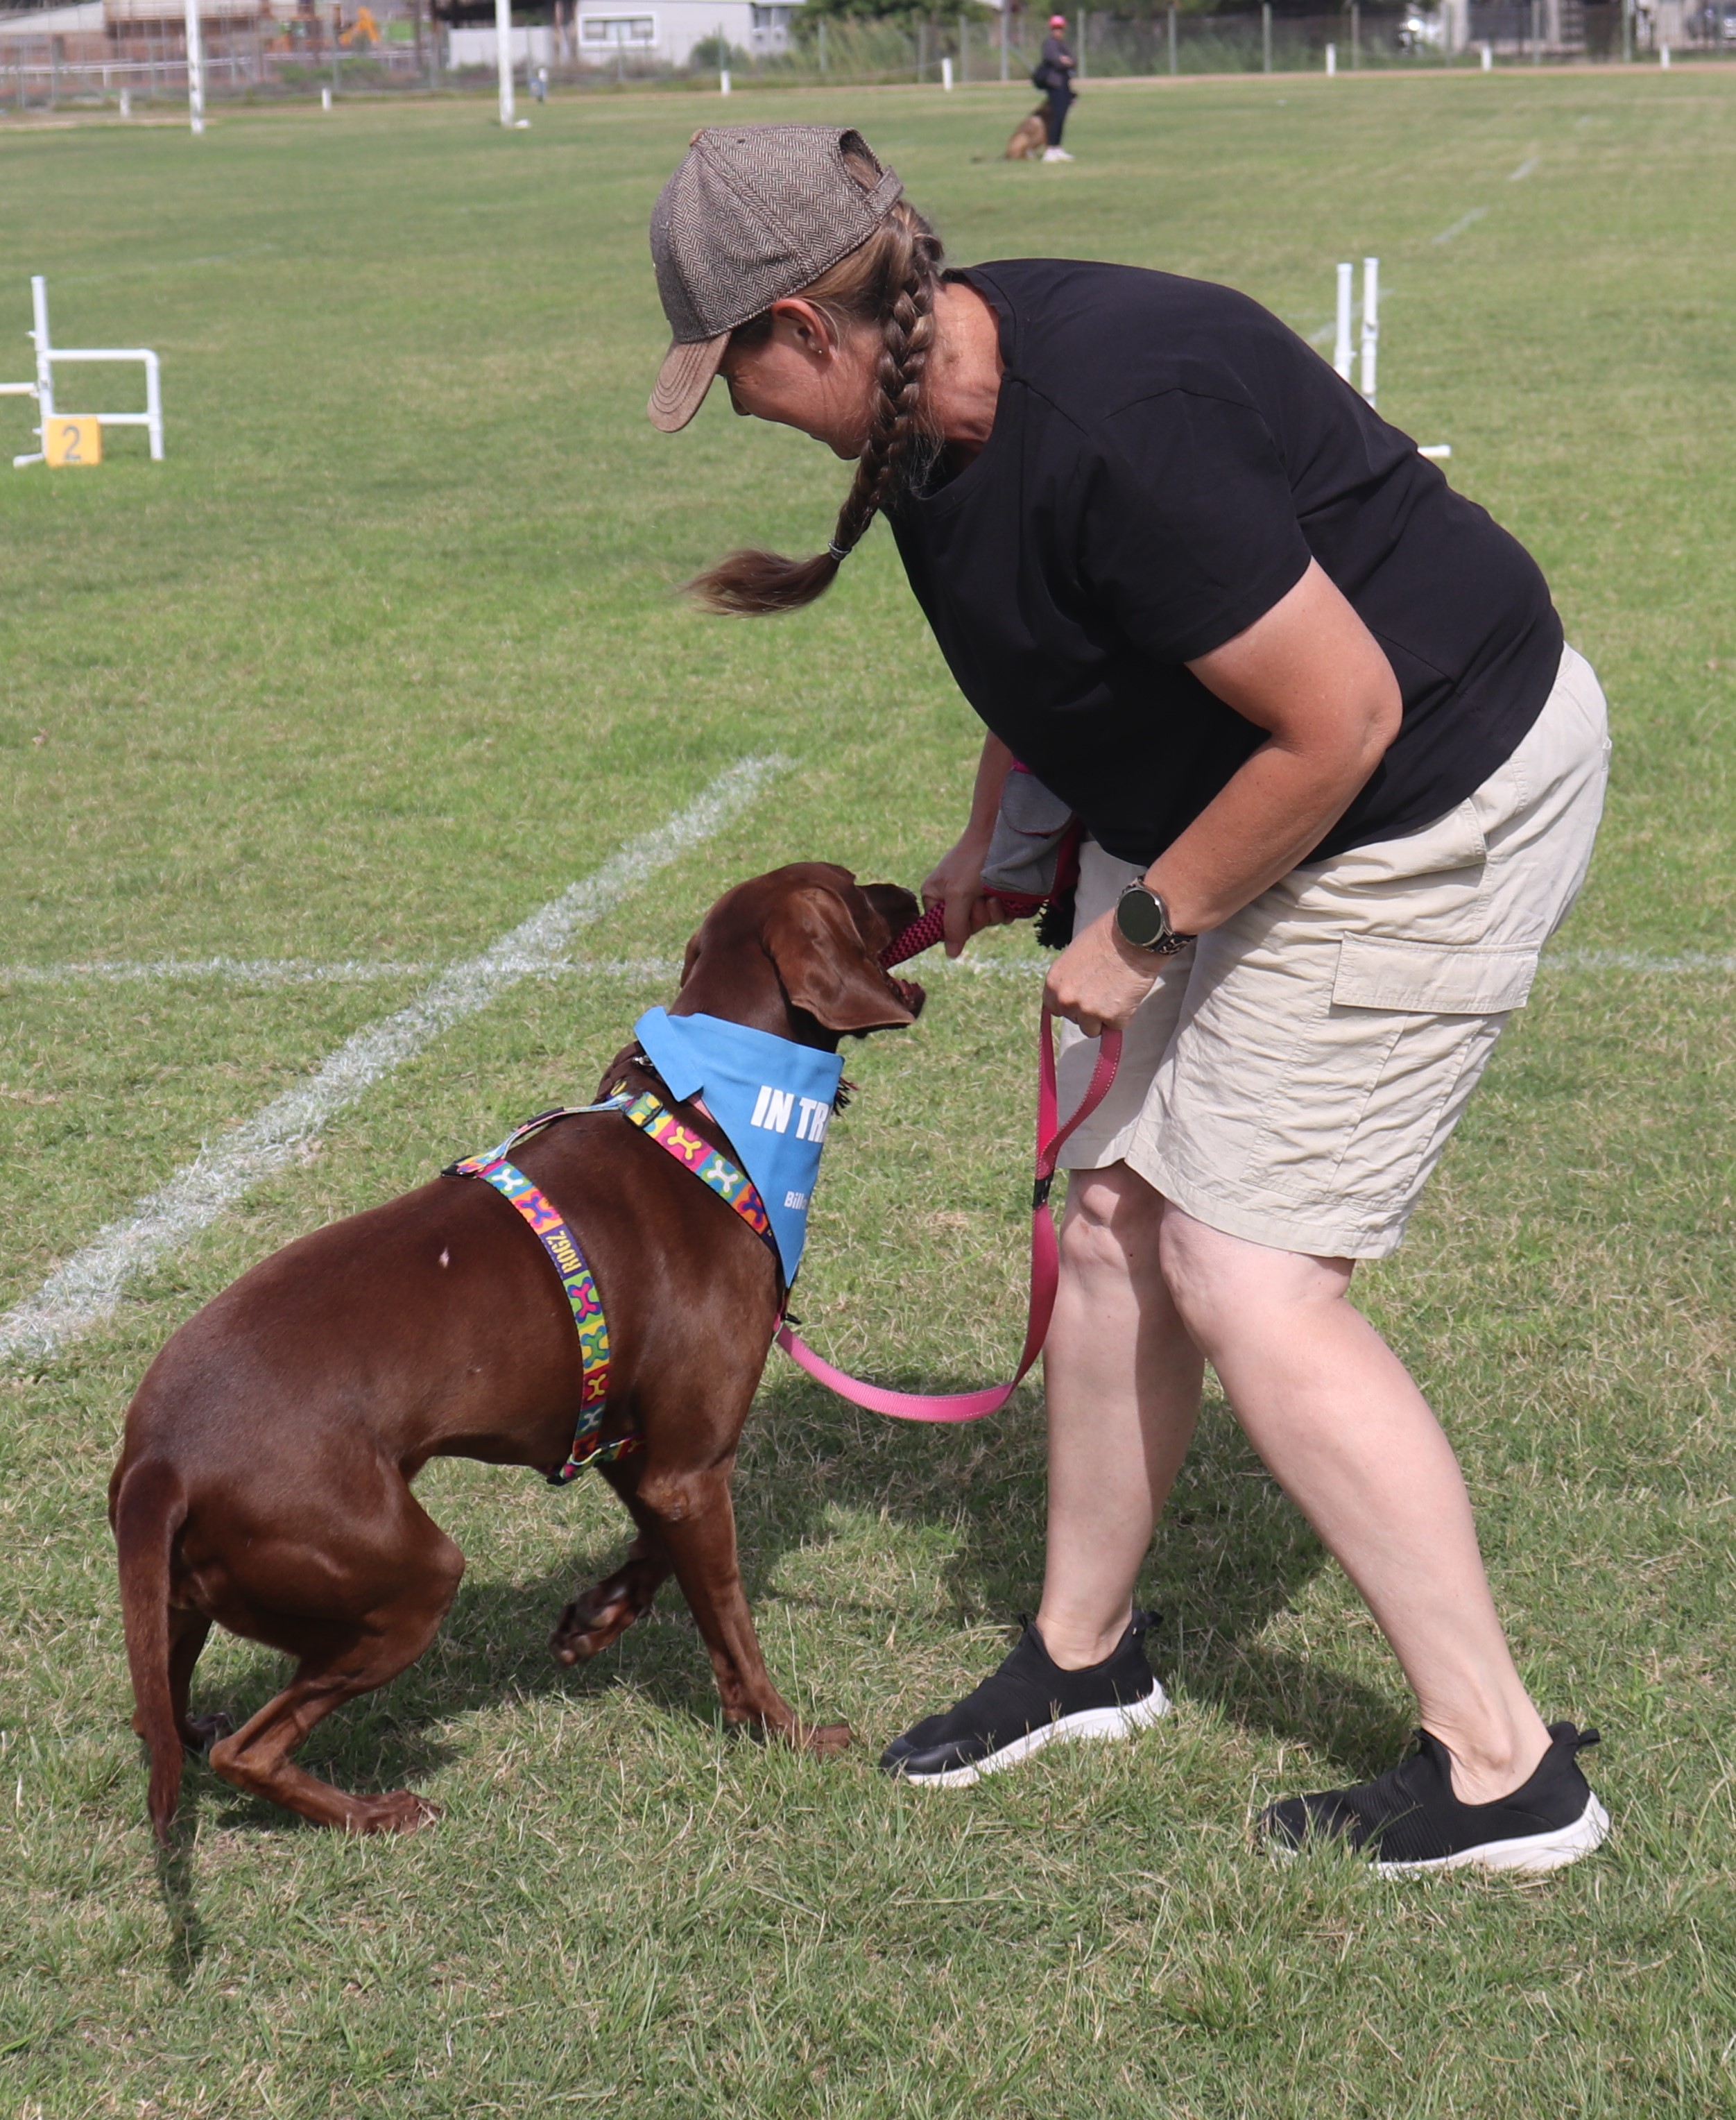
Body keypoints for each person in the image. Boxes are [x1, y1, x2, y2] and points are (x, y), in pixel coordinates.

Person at [644, 124, 1612, 1874]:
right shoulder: (922, 416)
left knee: (1247, 1277)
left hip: (1418, 789)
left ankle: (1506, 1769)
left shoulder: (1111, 419)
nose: (736, 410)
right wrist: (999, 837)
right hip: (1237, 780)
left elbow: (1343, 719)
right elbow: (1053, 647)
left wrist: (1146, 929)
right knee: (1109, 1225)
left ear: (803, 325)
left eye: (732, 375)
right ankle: (1084, 1659)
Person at [1035, 13, 1077, 162]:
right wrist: (1064, 61)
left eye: (1060, 28)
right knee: (1056, 116)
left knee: (1062, 117)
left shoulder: (1063, 45)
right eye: (1055, 28)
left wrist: (1066, 61)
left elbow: (1074, 60)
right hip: (1054, 85)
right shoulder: (1049, 44)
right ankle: (1049, 149)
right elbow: (1055, 60)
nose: (1058, 31)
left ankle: (1057, 148)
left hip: (1065, 84)